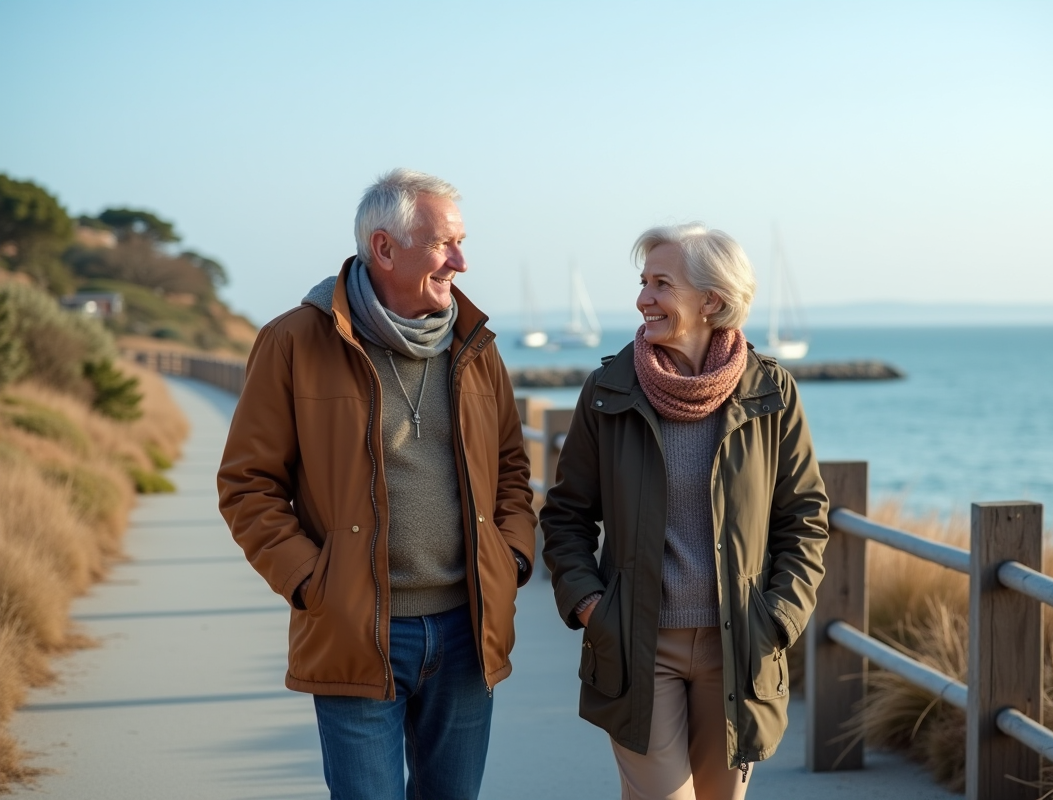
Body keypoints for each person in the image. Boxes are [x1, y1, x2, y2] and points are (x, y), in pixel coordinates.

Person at [217, 168, 536, 800]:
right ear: (384, 248)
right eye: (445, 244)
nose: (462, 262)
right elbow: (247, 484)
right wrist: (312, 581)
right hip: (355, 628)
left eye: (462, 242)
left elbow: (512, 470)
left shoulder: (476, 345)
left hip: (468, 629)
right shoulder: (293, 341)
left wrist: (512, 558)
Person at [540, 223, 829, 800]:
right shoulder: (609, 390)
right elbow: (566, 514)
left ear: (712, 300)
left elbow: (805, 518)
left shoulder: (771, 392)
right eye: (643, 282)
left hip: (740, 644)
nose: (643, 298)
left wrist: (780, 616)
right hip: (637, 643)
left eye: (661, 284)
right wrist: (591, 606)